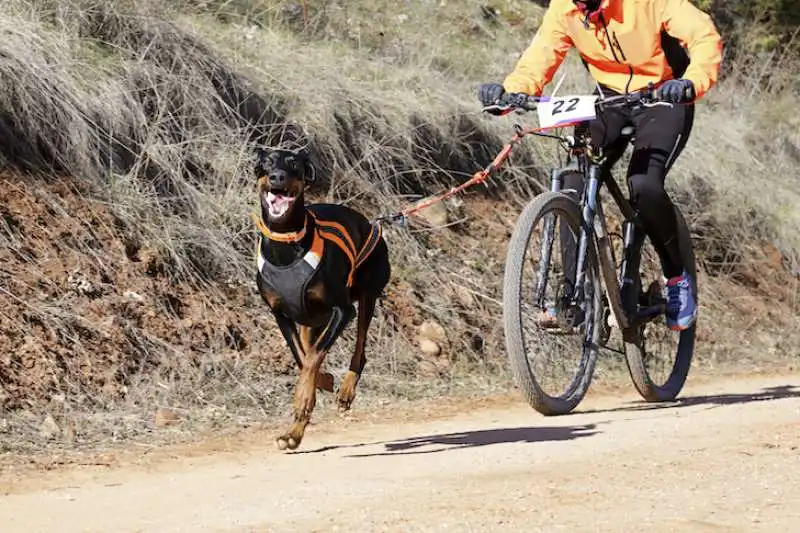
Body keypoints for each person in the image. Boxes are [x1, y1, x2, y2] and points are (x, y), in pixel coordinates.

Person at [478, 0, 723, 331]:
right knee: (573, 181)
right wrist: (508, 94)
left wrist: (691, 80)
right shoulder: (565, 8)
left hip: (663, 97)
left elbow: (703, 34)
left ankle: (677, 277)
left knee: (644, 184)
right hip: (609, 100)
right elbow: (540, 57)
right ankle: (572, 298)